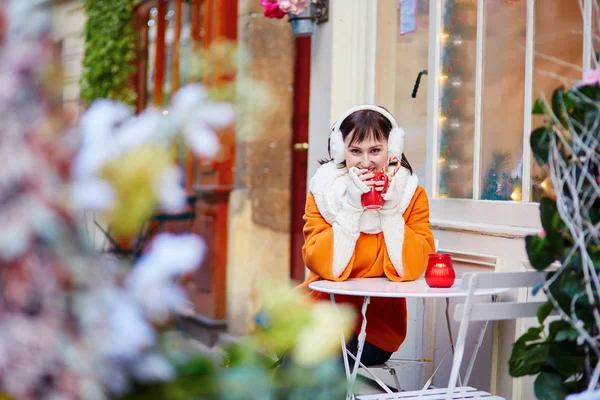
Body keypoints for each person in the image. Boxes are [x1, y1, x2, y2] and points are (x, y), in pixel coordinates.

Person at [297, 104, 435, 367]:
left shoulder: (411, 195)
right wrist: (351, 206)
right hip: (323, 314)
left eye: (375, 150)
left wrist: (391, 212)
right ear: (340, 151)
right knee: (315, 349)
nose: (366, 162)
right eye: (355, 151)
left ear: (392, 149)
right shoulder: (324, 192)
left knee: (320, 354)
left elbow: (415, 266)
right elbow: (324, 265)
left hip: (378, 333)